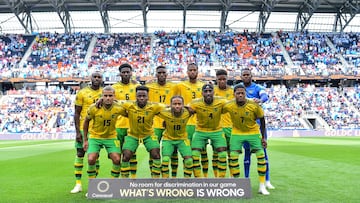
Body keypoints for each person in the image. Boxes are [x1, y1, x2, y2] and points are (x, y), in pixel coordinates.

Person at [223, 84, 269, 195]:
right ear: (234, 94)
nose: (240, 95)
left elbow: (262, 120)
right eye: (238, 93)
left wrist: (263, 137)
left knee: (261, 157)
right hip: (237, 133)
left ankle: (262, 186)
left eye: (242, 93)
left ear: (245, 94)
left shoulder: (254, 105)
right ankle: (237, 185)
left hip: (253, 132)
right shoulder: (228, 105)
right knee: (233, 157)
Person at [120, 85, 165, 178]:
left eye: (144, 96)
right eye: (139, 96)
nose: (141, 98)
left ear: (148, 96)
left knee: (156, 154)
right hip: (133, 135)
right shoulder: (129, 105)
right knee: (126, 156)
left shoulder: (154, 106)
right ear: (135, 96)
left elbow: (171, 107)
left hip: (148, 134)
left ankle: (155, 180)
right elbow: (114, 102)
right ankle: (125, 182)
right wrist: (101, 100)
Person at [240, 68, 275, 189]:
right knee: (247, 154)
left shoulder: (257, 88)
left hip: (258, 126)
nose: (246, 77)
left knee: (263, 154)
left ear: (251, 76)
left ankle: (267, 180)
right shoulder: (239, 88)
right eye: (243, 75)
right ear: (241, 76)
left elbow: (264, 96)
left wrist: (260, 100)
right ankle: (246, 180)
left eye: (247, 75)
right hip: (245, 127)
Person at [70, 71, 103, 194]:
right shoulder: (82, 93)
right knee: (80, 154)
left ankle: (93, 184)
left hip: (98, 131)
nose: (96, 79)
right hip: (85, 129)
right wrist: (77, 132)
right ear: (91, 78)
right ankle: (78, 184)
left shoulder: (105, 93)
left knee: (94, 157)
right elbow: (77, 113)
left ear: (102, 80)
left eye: (99, 77)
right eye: (94, 77)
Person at [83, 86, 122, 181]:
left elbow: (131, 108)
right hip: (95, 137)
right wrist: (85, 140)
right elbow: (86, 122)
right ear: (102, 96)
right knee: (91, 159)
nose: (108, 98)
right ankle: (92, 184)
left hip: (111, 137)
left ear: (114, 96)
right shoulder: (94, 108)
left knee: (117, 159)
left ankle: (114, 183)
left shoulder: (119, 107)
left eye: (110, 96)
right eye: (105, 96)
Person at [174, 63, 207, 177]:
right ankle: (187, 178)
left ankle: (203, 178)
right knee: (187, 153)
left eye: (194, 70)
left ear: (198, 71)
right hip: (186, 124)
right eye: (190, 70)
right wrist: (187, 107)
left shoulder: (204, 86)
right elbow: (174, 103)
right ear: (187, 72)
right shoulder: (180, 86)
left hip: (201, 124)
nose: (192, 72)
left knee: (202, 152)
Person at [189, 84, 228, 178]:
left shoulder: (221, 101)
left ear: (213, 92)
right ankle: (200, 181)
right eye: (206, 91)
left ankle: (220, 180)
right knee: (194, 155)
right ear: (202, 93)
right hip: (200, 131)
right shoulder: (195, 103)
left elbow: (234, 104)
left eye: (210, 91)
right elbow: (186, 111)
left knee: (222, 154)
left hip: (217, 130)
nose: (208, 93)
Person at [146, 65, 176, 176]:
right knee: (153, 151)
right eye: (159, 73)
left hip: (170, 123)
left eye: (164, 72)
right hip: (154, 124)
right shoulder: (149, 86)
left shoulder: (174, 87)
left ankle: (172, 177)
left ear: (167, 74)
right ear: (156, 74)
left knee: (173, 151)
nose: (162, 74)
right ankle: (153, 176)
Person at [112, 63, 140, 178]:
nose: (126, 74)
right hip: (118, 124)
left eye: (128, 72)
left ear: (131, 73)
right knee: (118, 154)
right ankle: (118, 179)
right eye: (123, 72)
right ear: (120, 74)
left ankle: (132, 179)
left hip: (132, 125)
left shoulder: (136, 86)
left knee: (131, 152)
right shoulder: (114, 88)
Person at [156, 96, 193, 178]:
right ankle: (166, 182)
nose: (177, 106)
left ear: (183, 105)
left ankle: (187, 183)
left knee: (189, 161)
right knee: (165, 160)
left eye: (179, 104)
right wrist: (166, 106)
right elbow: (154, 110)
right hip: (168, 139)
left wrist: (187, 107)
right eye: (174, 104)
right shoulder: (165, 113)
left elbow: (196, 109)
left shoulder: (188, 112)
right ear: (171, 105)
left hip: (182, 139)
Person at [213, 69, 234, 177]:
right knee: (217, 154)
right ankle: (218, 178)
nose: (221, 81)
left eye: (224, 79)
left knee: (231, 154)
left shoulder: (233, 92)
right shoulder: (212, 91)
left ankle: (231, 177)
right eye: (219, 79)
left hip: (230, 127)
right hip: (217, 128)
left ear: (227, 79)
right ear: (216, 79)